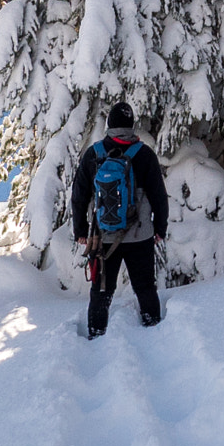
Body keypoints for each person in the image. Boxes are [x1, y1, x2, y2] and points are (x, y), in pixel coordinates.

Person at [71, 101, 169, 336]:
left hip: (104, 237)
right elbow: (159, 196)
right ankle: (153, 328)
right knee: (145, 287)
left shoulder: (94, 154)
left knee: (101, 291)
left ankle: (96, 332)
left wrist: (81, 230)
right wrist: (160, 228)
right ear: (131, 126)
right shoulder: (144, 154)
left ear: (109, 125)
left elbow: (79, 196)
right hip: (140, 236)